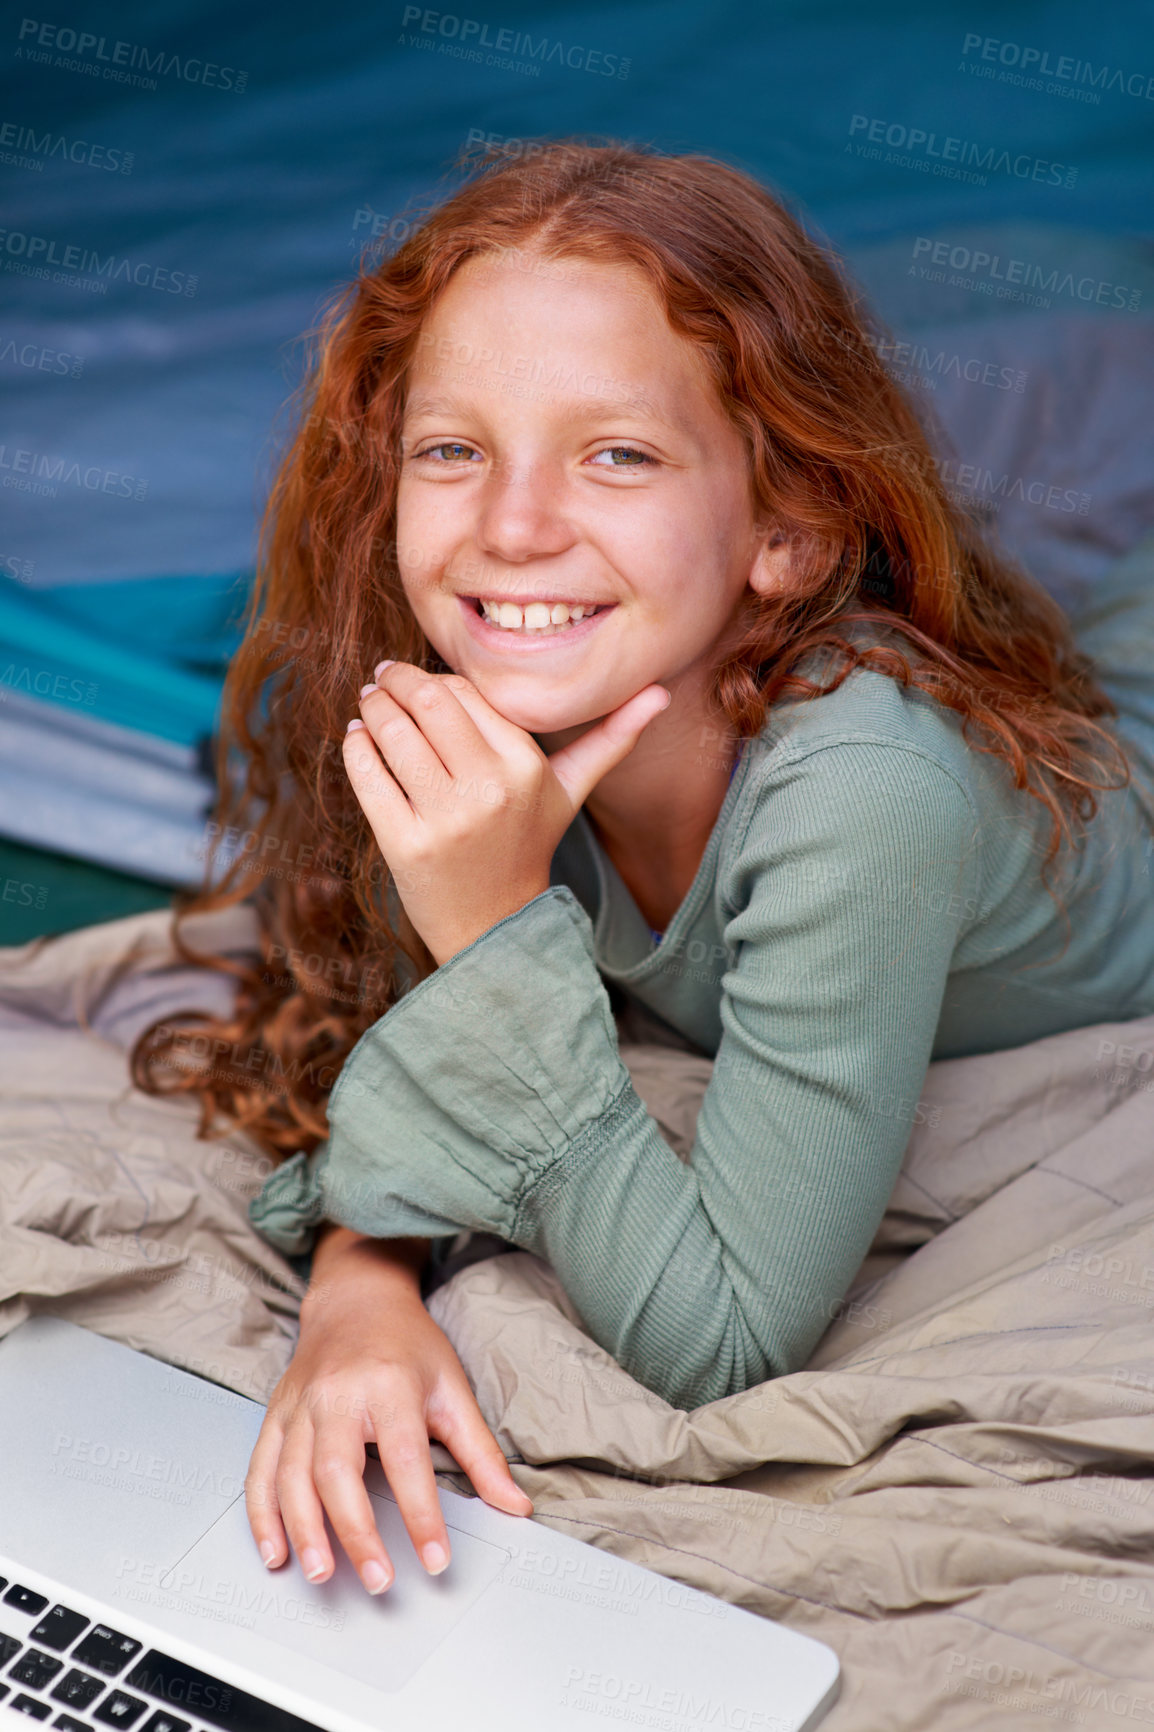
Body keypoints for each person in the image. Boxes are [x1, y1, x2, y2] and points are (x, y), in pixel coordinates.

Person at [130, 138, 1154, 1604]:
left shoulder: (863, 795)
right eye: (452, 449)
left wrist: (491, 926)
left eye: (615, 452)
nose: (511, 527)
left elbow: (720, 1337)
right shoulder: (463, 678)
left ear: (786, 534)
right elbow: (396, 1047)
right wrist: (358, 1284)